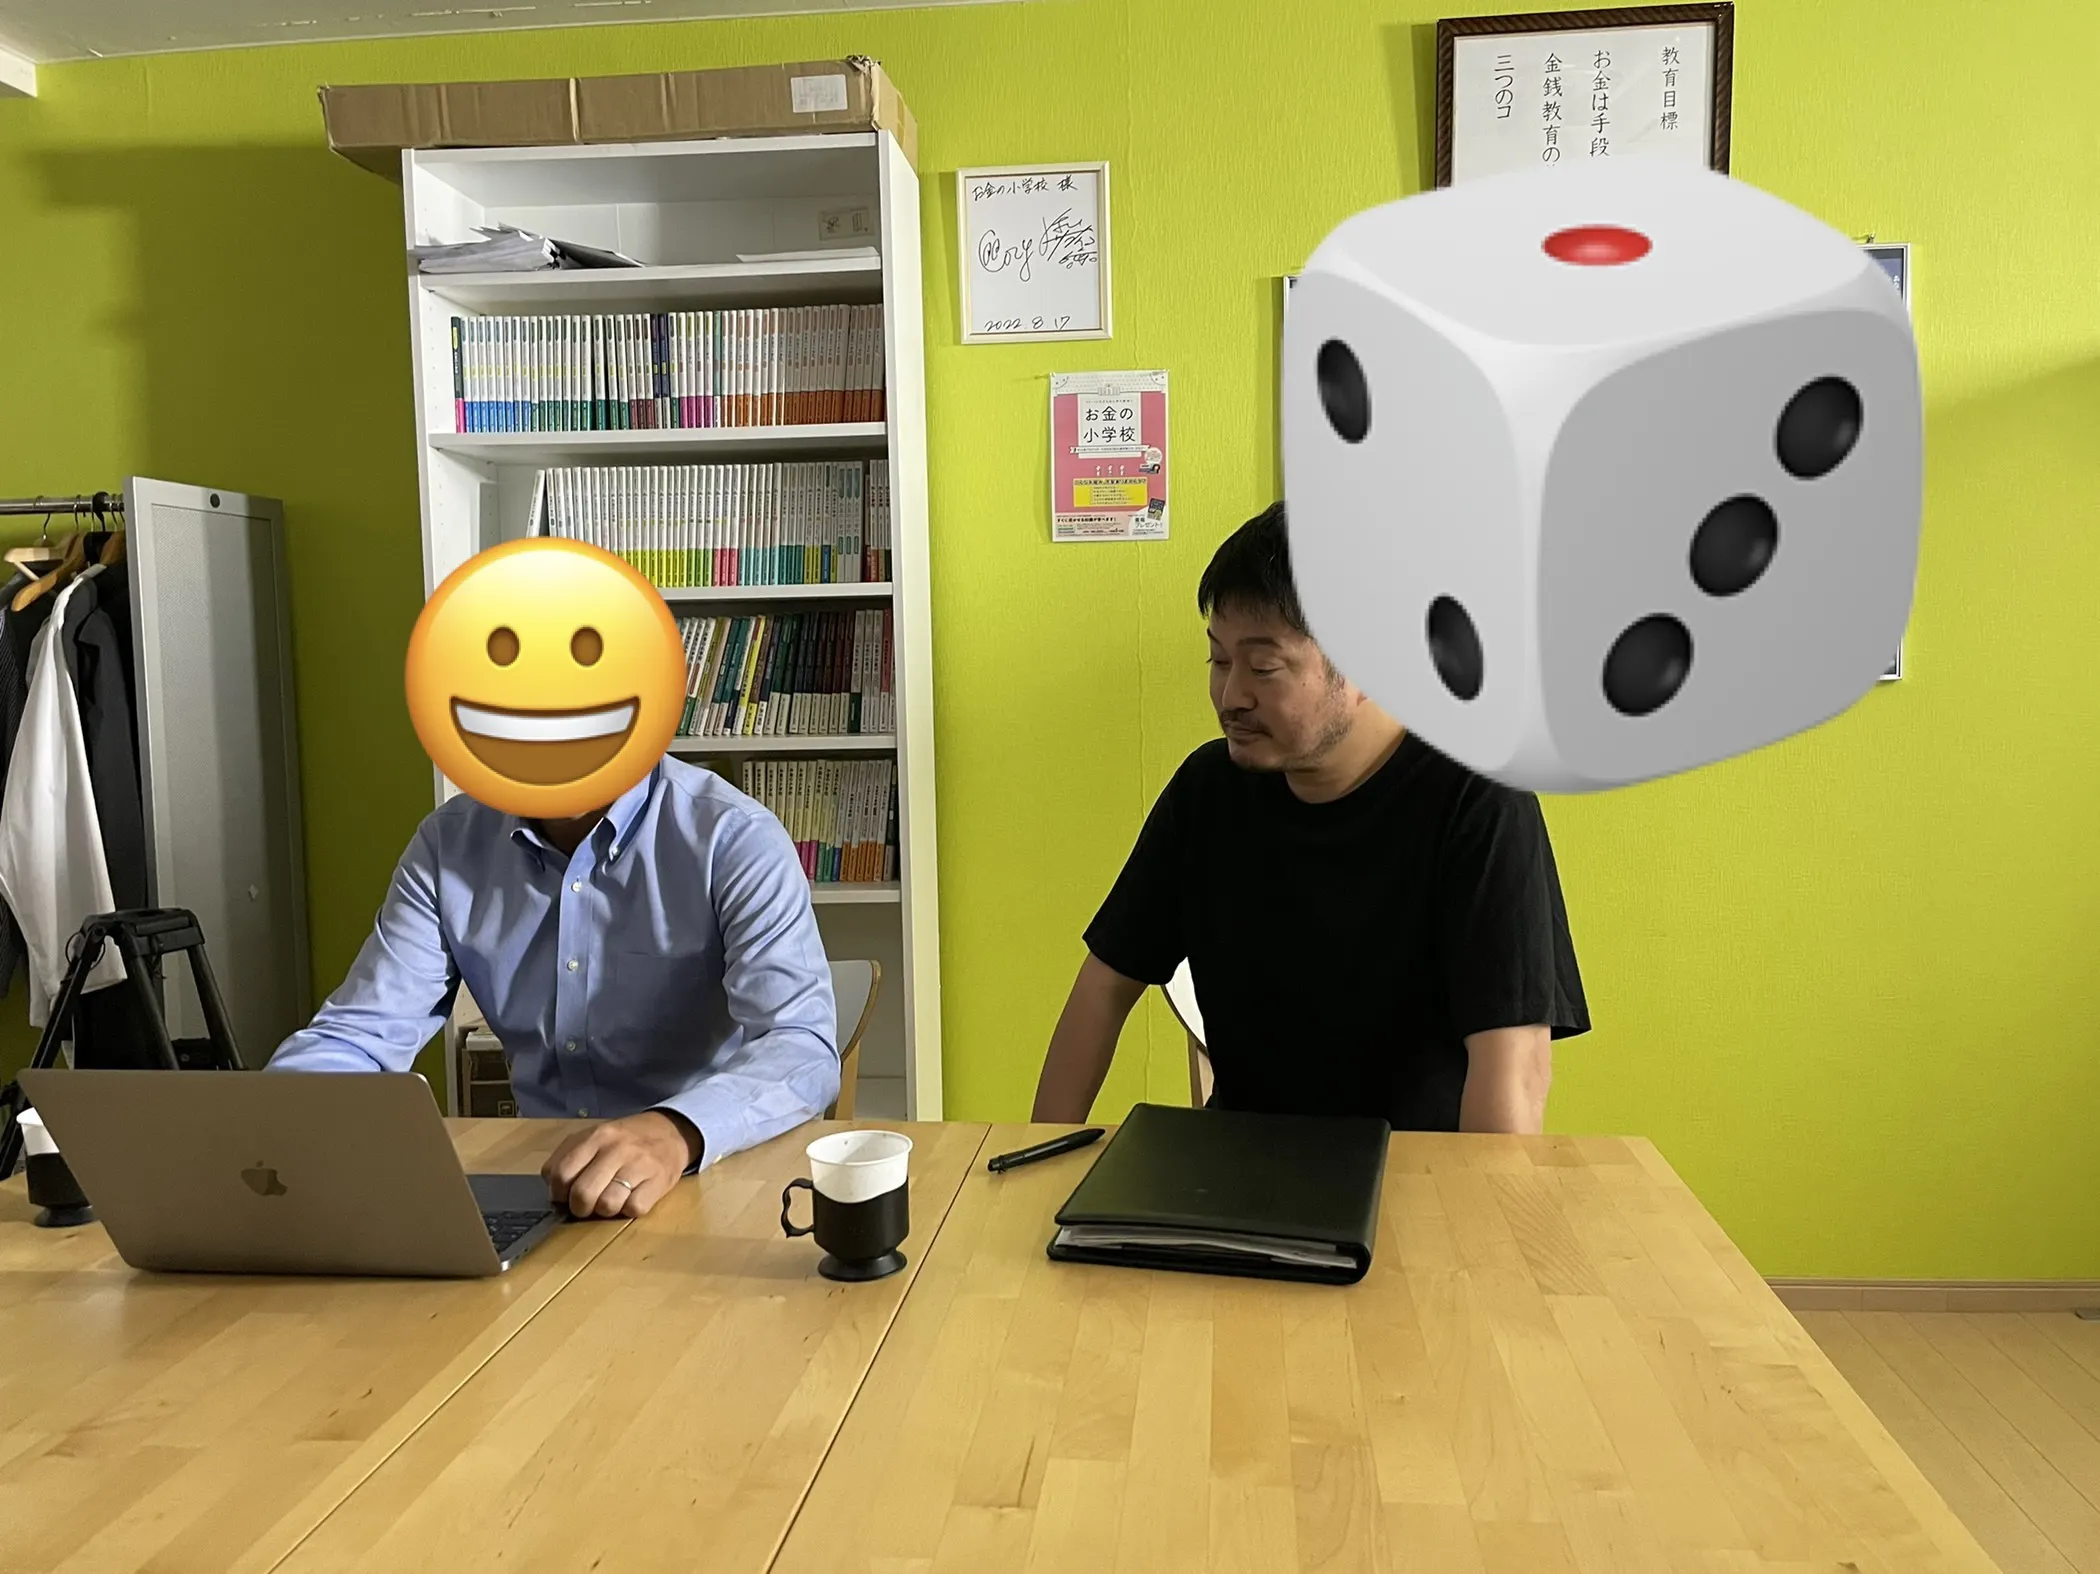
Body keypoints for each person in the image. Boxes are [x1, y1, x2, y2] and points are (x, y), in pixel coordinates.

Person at [1032, 502, 1588, 1134]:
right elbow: (1103, 990)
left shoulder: (1478, 802)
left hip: (1420, 1171)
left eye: (1263, 668)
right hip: (1238, 1170)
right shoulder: (1208, 791)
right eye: (1219, 660)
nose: (1231, 696)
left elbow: (1514, 1070)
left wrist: (1469, 1200)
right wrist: (1043, 1156)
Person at [269, 755, 837, 1218]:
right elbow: (359, 1035)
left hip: (706, 1176)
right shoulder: (449, 844)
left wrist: (676, 1131)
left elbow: (800, 1046)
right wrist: (268, 1124)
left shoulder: (733, 835)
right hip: (540, 1186)